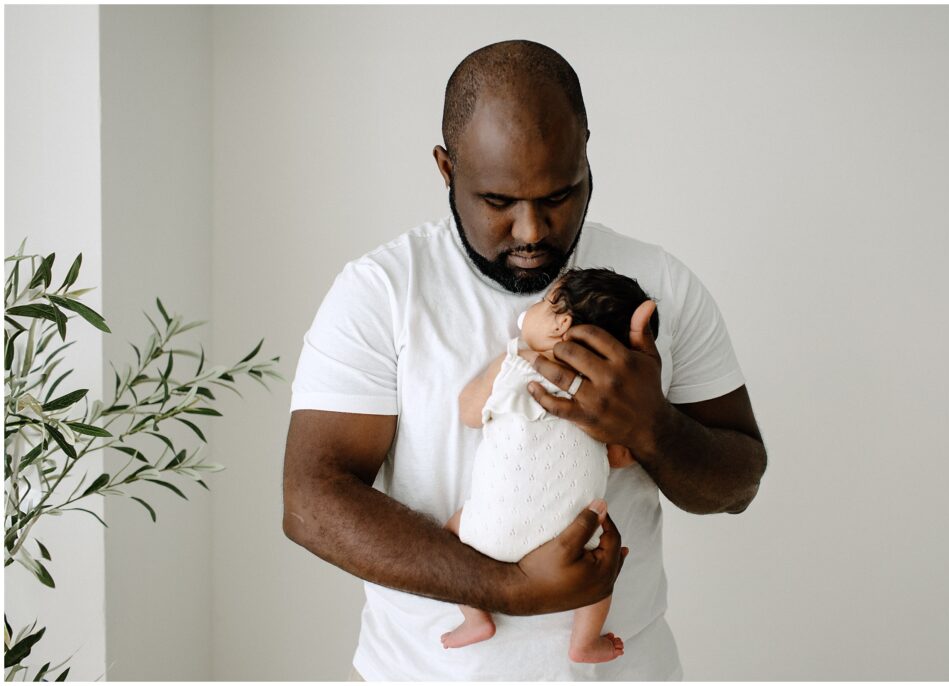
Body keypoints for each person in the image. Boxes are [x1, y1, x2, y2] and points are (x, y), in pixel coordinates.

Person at [283, 39, 767, 681]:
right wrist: (509, 588)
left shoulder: (659, 285)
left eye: (560, 195)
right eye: (498, 201)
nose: (533, 230)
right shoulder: (382, 291)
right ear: (446, 169)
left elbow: (737, 486)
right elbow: (312, 500)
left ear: (587, 157)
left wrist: (651, 426)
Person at [442, 267, 658, 663]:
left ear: (561, 324)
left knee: (450, 530)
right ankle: (583, 642)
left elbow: (469, 413)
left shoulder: (512, 366)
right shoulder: (604, 401)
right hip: (574, 548)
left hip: (487, 535)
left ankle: (476, 618)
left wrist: (491, 383)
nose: (532, 308)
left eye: (543, 303)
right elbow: (621, 458)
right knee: (603, 570)